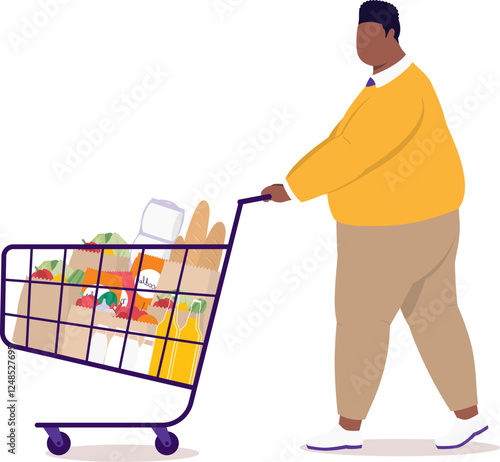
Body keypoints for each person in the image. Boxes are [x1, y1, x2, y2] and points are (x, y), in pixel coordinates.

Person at [262, 0, 488, 452]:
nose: (361, 43)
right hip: (433, 220)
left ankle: (348, 429)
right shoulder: (395, 83)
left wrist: (293, 185)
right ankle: (470, 417)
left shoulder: (399, 91)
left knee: (361, 321)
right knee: (437, 317)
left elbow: (351, 150)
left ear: (392, 36)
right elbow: (343, 142)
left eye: (370, 35)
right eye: (358, 34)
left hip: (388, 229)